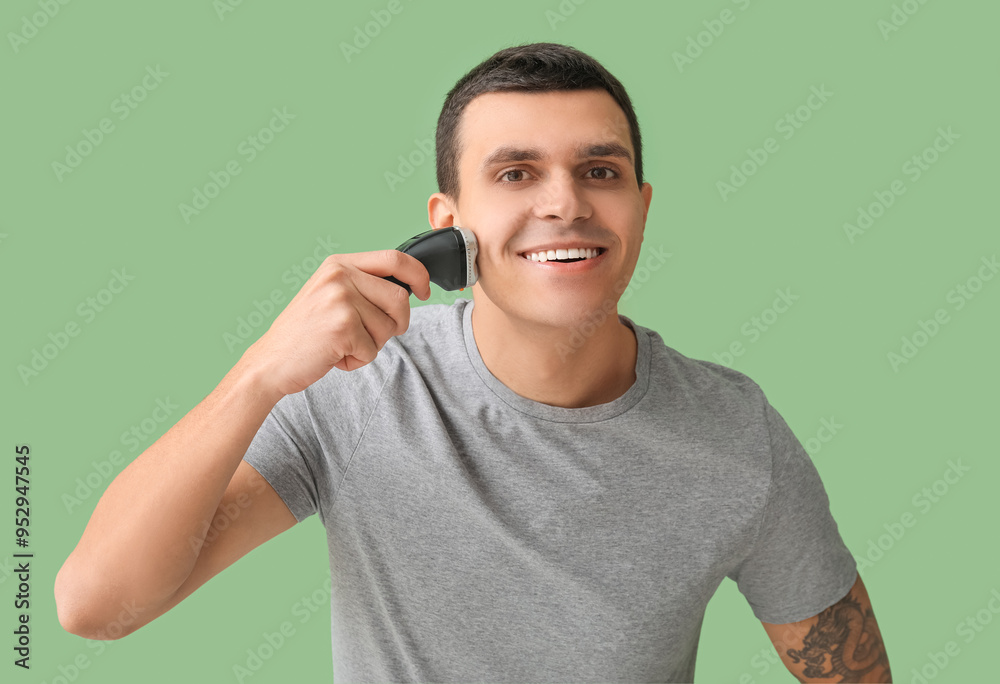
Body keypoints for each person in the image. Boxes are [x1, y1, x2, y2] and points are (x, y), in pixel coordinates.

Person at [55, 42, 892, 682]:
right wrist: (260, 373)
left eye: (599, 170)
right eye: (516, 173)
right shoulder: (357, 385)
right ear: (448, 223)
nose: (564, 202)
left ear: (639, 209)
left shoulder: (737, 434)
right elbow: (95, 605)